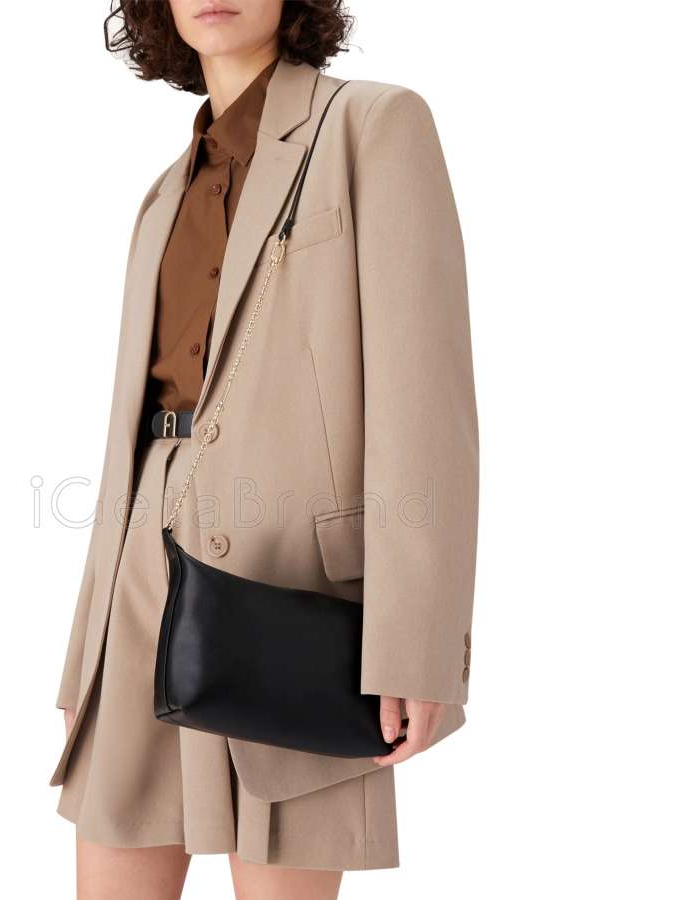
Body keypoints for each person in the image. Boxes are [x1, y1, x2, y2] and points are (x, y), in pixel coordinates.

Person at [51, 2, 478, 897]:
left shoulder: (373, 125)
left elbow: (424, 402)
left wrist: (418, 643)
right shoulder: (164, 193)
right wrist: (86, 658)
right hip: (140, 572)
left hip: (290, 592)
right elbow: (127, 428)